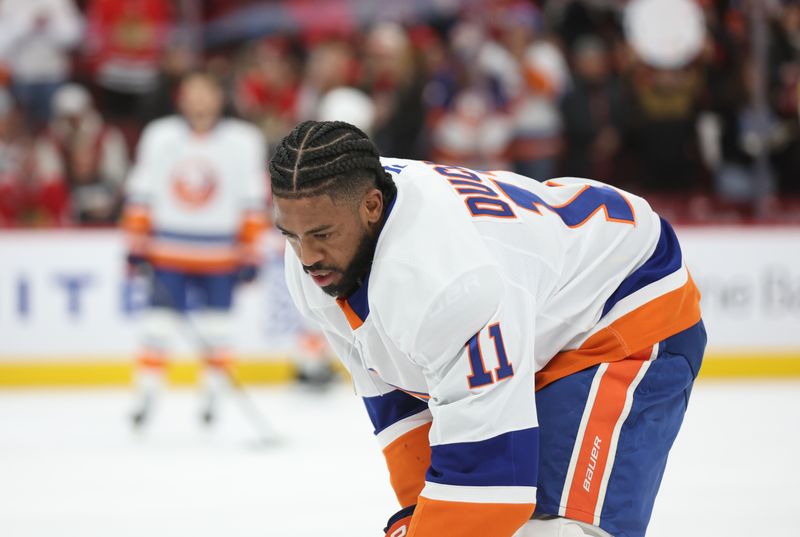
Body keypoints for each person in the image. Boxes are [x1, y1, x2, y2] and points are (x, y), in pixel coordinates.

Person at [269, 121, 704, 537]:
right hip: (537, 306)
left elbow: (491, 485)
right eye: (291, 236)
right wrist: (415, 514)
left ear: (371, 206)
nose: (307, 257)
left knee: (555, 531)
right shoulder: (322, 244)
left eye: (321, 235)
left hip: (622, 302)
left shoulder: (447, 282)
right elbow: (394, 392)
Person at [122, 71, 267, 425]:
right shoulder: (160, 136)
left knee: (218, 330)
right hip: (167, 249)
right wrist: (136, 240)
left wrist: (251, 249)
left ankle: (212, 400)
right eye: (193, 92)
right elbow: (142, 189)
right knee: (157, 326)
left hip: (221, 254)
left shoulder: (244, 140)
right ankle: (146, 396)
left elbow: (253, 197)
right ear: (181, 97)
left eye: (207, 92)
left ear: (219, 97)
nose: (200, 100)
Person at [33, 83, 129, 225]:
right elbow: (49, 180)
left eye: (77, 115)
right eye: (68, 116)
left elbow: (117, 176)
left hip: (104, 195)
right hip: (67, 198)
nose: (73, 122)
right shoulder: (49, 141)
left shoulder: (108, 136)